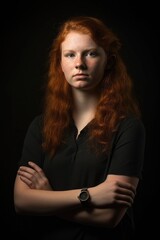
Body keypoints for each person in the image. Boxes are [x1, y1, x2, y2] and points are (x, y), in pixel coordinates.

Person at [13, 16, 146, 240]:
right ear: (60, 63)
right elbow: (22, 201)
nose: (79, 63)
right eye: (70, 54)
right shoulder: (40, 126)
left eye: (91, 53)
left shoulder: (128, 127)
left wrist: (47, 200)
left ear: (109, 61)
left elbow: (109, 218)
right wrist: (89, 195)